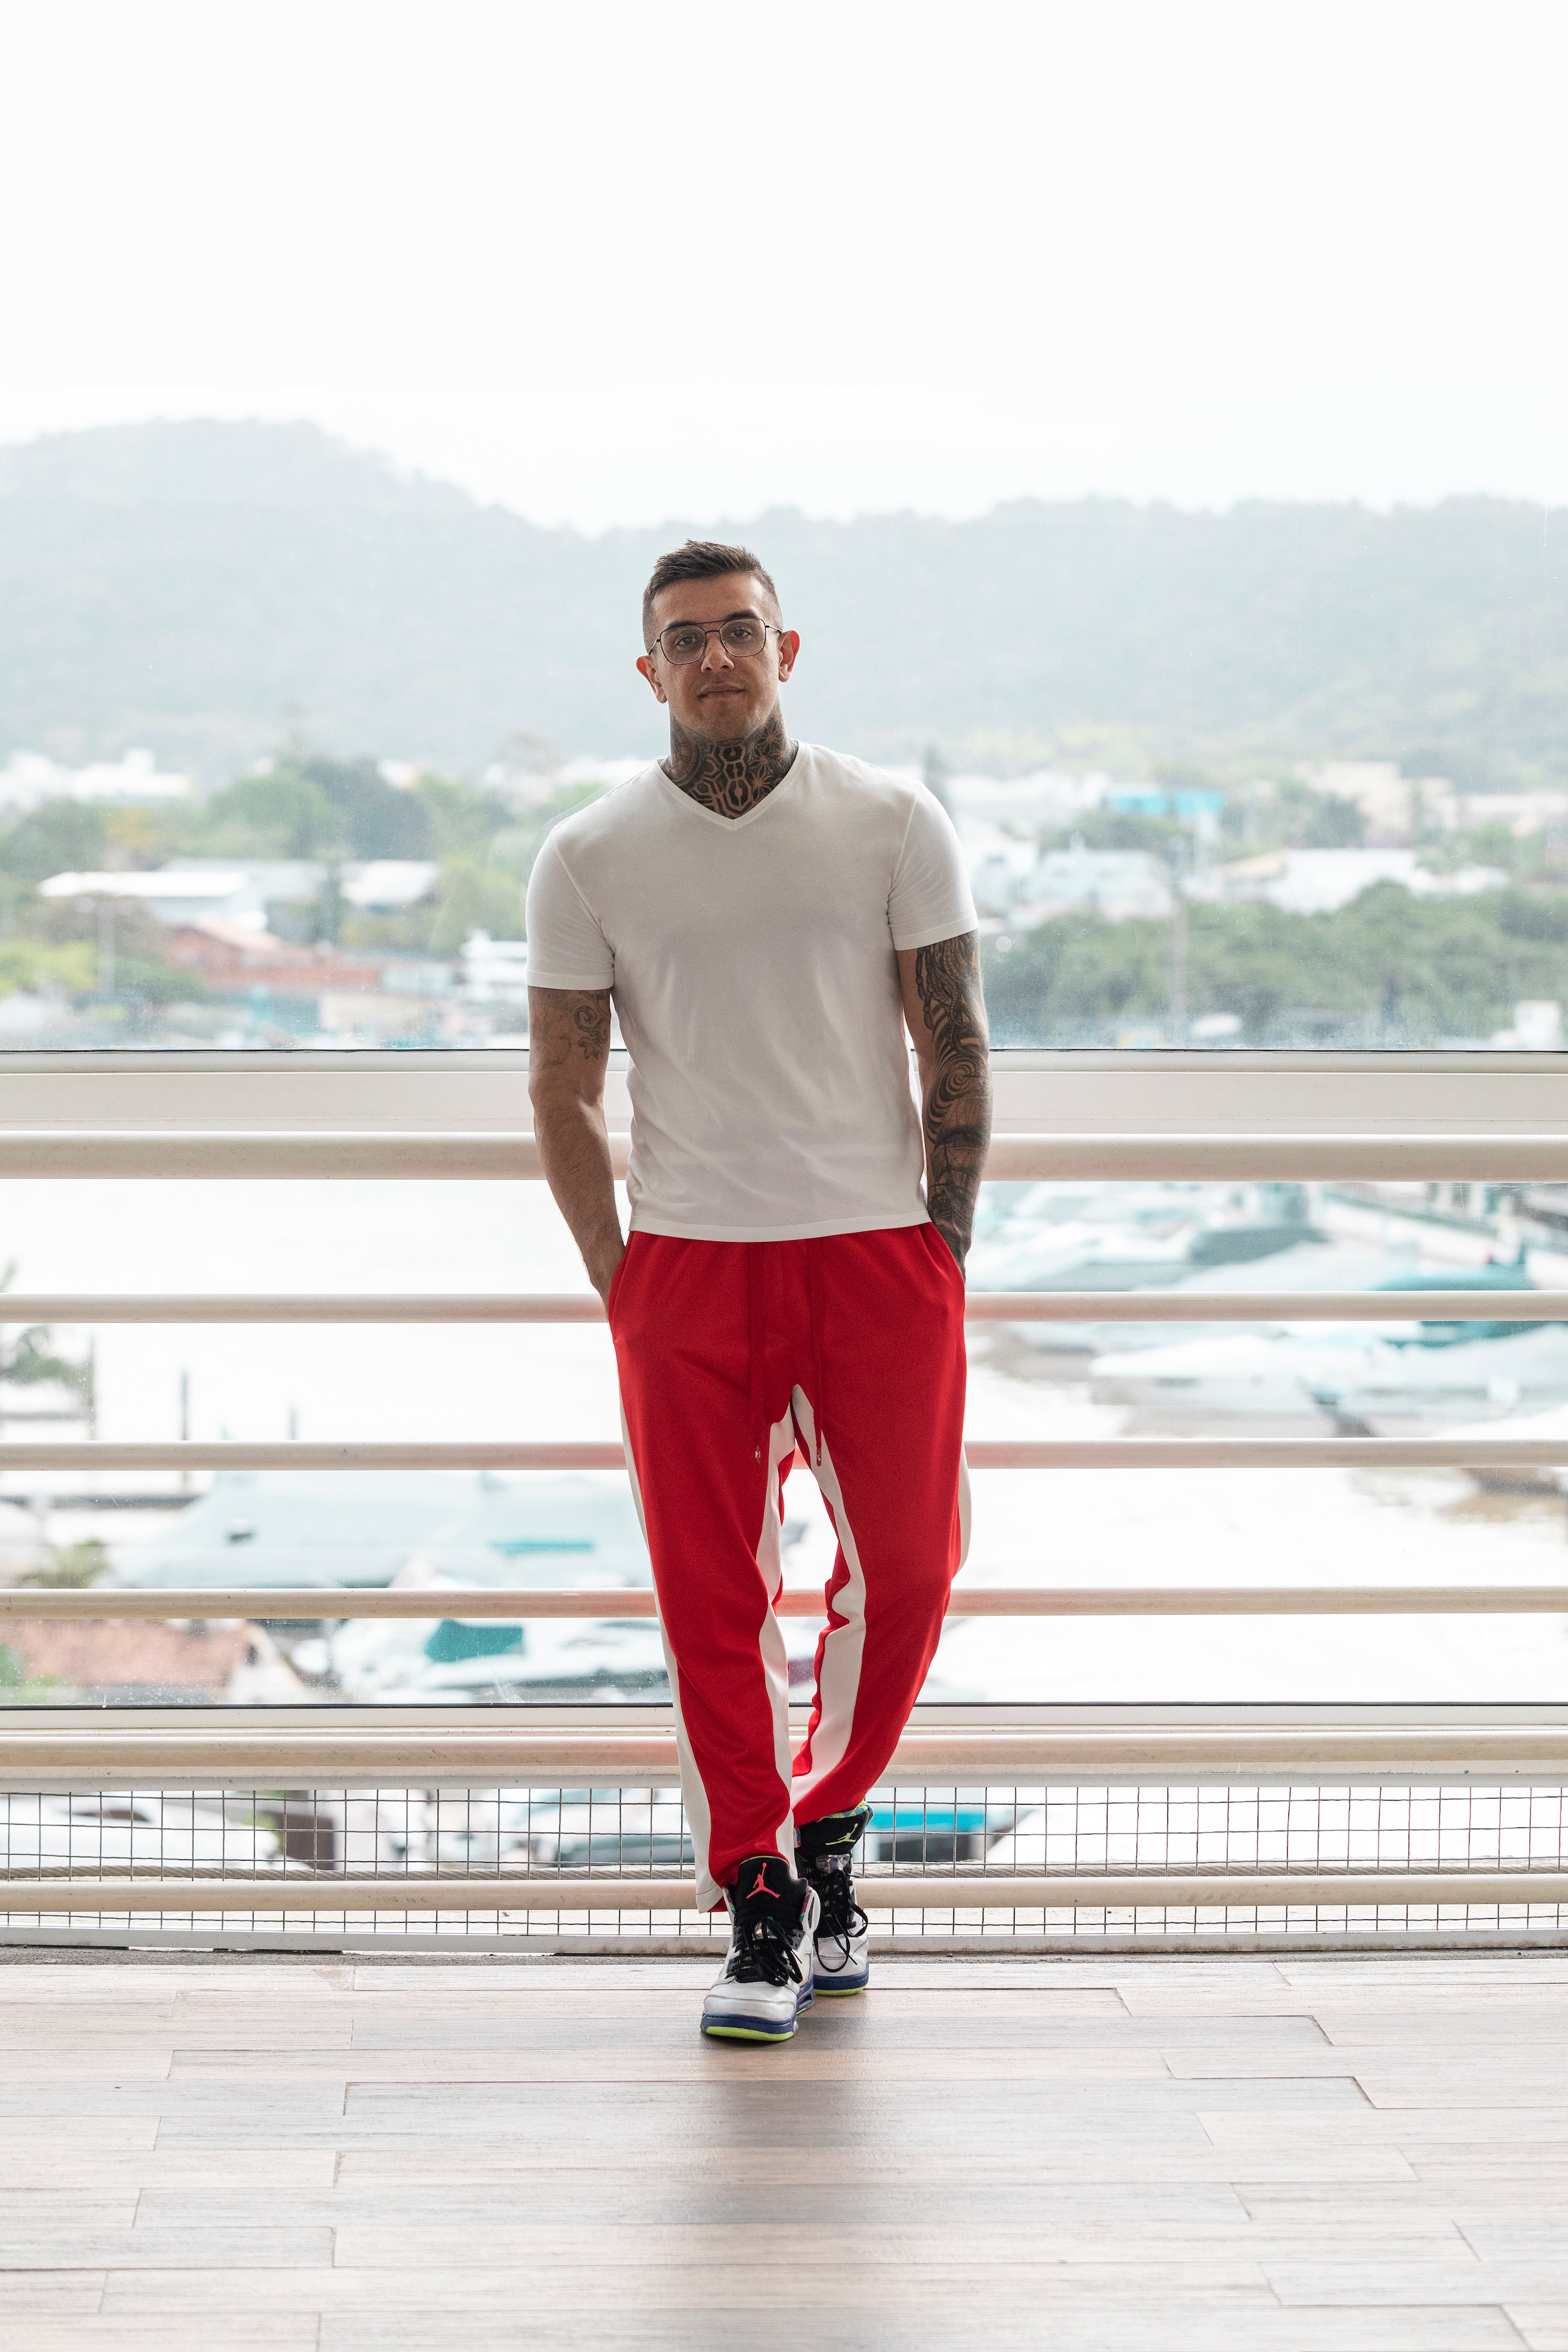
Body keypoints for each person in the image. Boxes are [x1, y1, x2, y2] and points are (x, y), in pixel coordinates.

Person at [526, 540, 990, 2043]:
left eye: (742, 631)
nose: (717, 655)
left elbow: (959, 1045)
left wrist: (944, 1241)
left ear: (789, 652)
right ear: (647, 670)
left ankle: (832, 1827)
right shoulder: (590, 854)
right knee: (711, 1601)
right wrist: (620, 1272)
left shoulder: (891, 820)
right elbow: (560, 1079)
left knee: (910, 1572)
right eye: (687, 637)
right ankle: (758, 1900)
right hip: (688, 1269)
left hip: (876, 1256)